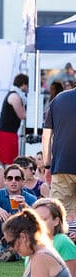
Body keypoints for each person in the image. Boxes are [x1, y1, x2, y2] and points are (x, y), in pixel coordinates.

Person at [42, 86, 76, 223]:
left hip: (62, 166)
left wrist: (47, 165)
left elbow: (46, 135)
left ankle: (61, 244)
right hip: (62, 167)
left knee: (60, 217)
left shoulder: (59, 99)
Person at [32, 198, 76, 277]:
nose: (37, 223)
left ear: (56, 221)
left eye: (43, 219)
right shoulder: (35, 242)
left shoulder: (64, 242)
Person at [0, 73, 28, 165]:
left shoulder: (16, 95)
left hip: (10, 133)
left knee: (9, 160)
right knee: (8, 161)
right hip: (6, 133)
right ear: (23, 84)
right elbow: (22, 115)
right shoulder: (15, 96)